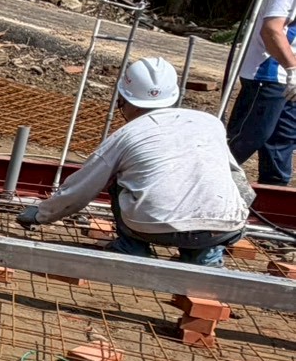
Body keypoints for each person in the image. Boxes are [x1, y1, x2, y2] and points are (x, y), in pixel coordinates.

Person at [19, 56, 252, 267]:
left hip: (151, 227)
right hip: (222, 228)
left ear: (126, 100)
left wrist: (41, 214)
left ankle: (132, 249)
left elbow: (82, 188)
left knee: (118, 180)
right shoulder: (210, 122)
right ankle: (204, 257)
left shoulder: (127, 135)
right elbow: (239, 180)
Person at [225, 0, 296, 183]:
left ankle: (274, 195)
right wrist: (292, 68)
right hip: (268, 74)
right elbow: (271, 29)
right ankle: (202, 179)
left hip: (289, 78)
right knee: (249, 137)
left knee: (282, 142)